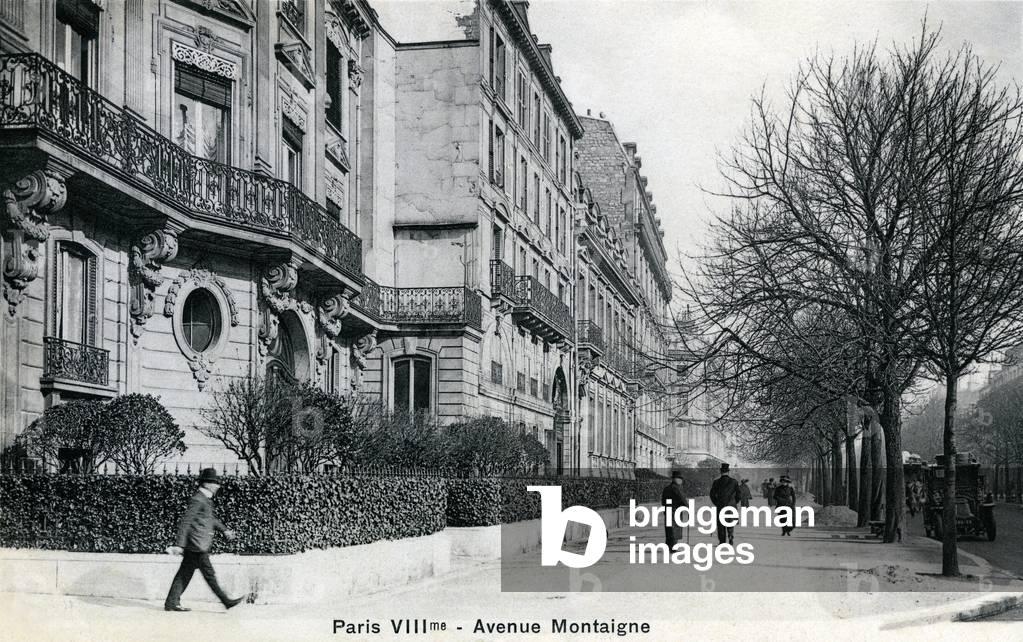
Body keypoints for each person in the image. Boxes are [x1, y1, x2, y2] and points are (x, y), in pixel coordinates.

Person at [164, 468, 246, 612]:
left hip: (197, 545)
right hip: (197, 545)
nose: (218, 486)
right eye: (215, 483)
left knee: (184, 574)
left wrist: (224, 529)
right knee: (209, 575)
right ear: (207, 484)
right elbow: (186, 522)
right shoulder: (198, 499)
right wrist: (179, 544)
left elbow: (210, 519)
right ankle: (226, 601)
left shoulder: (204, 499)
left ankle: (171, 602)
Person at [709, 463, 741, 545]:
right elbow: (739, 495)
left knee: (721, 524)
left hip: (720, 505)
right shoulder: (734, 482)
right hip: (731, 506)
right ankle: (730, 535)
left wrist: (717, 502)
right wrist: (734, 502)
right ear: (728, 472)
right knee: (730, 522)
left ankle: (722, 541)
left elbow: (712, 494)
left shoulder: (716, 482)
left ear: (721, 472)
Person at [661, 470, 687, 548]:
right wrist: (687, 506)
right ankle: (673, 547)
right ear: (677, 479)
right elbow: (682, 499)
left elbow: (663, 501)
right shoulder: (677, 488)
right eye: (680, 479)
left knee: (669, 529)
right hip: (675, 511)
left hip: (668, 510)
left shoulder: (667, 488)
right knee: (674, 529)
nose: (681, 481)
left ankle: (669, 545)